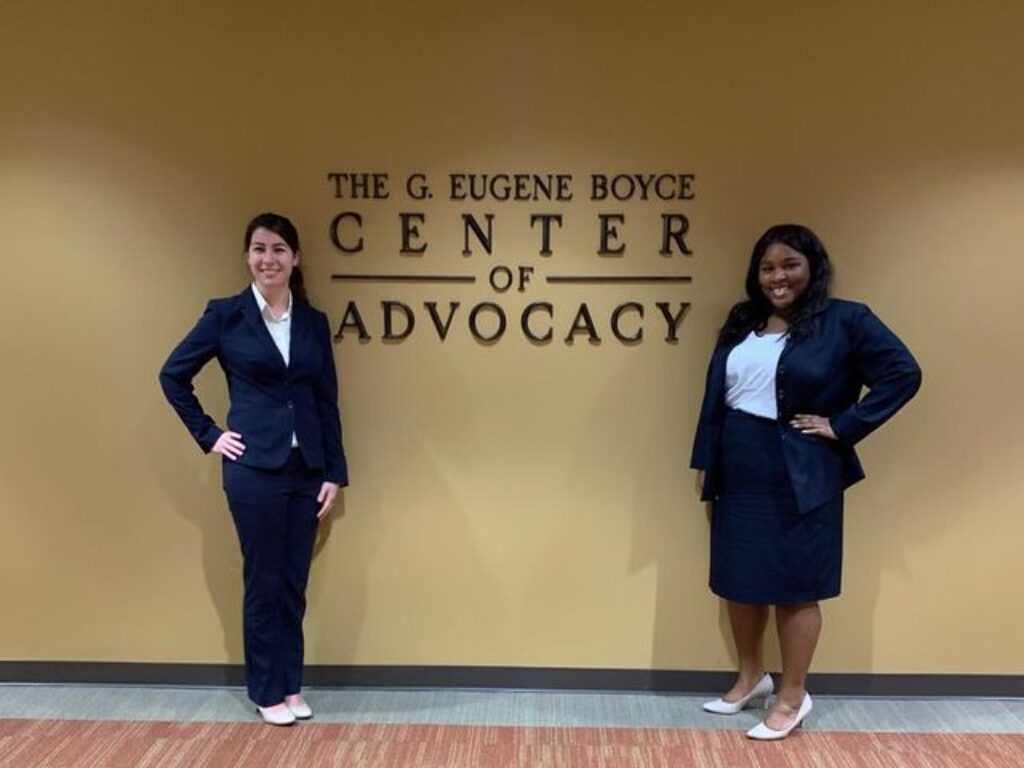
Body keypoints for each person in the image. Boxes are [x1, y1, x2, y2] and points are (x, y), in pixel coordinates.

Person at [690, 223, 920, 740]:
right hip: (738, 465)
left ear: (812, 267)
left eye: (789, 265)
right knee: (738, 579)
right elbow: (715, 396)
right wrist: (706, 458)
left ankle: (793, 695)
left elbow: (903, 373)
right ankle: (752, 678)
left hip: (800, 470)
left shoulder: (846, 320)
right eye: (768, 267)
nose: (778, 277)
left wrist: (843, 425)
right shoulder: (744, 319)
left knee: (796, 585)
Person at [160, 212, 348, 726]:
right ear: (248, 256)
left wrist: (334, 471)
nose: (270, 259)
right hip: (254, 472)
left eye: (280, 249)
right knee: (264, 581)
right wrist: (211, 435)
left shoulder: (312, 322)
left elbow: (325, 400)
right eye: (260, 249)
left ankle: (290, 685)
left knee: (293, 583)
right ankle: (266, 689)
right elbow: (173, 376)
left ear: (295, 259)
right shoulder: (226, 315)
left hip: (306, 470)